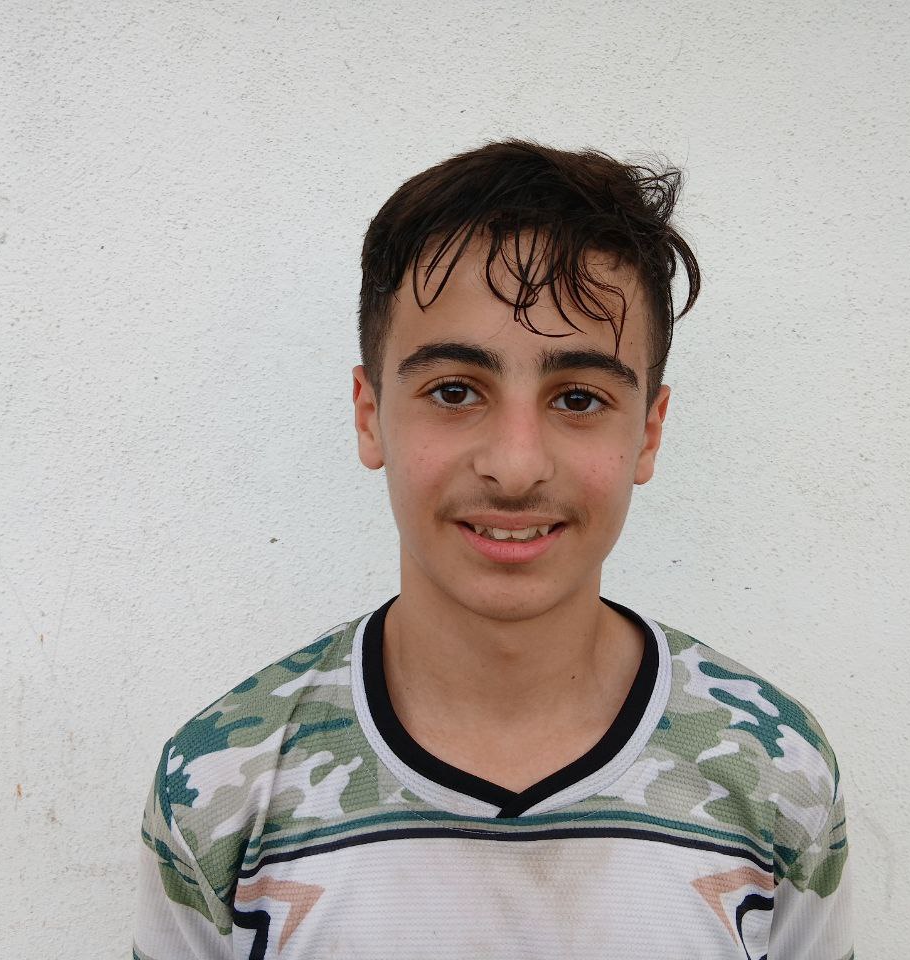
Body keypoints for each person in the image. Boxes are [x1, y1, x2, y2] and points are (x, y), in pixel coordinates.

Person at [132, 140, 852, 959]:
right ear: (370, 415)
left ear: (649, 432)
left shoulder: (777, 773)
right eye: (454, 391)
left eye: (578, 398)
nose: (515, 466)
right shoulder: (218, 787)